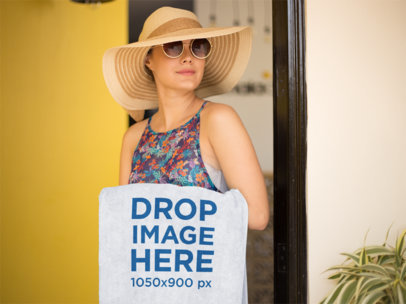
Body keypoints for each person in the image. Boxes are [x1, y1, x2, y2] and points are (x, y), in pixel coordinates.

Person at [102, 6, 269, 231]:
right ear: (148, 60)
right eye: (173, 47)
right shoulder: (134, 137)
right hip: (145, 266)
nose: (188, 58)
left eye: (198, 47)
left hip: (203, 265)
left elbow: (257, 216)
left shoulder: (217, 119)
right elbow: (124, 224)